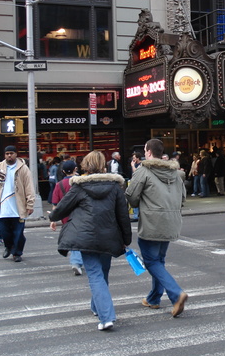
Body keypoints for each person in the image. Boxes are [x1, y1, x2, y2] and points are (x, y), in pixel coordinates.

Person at [49, 150, 131, 331]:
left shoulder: (78, 187)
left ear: (85, 165)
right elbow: (123, 216)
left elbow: (61, 208)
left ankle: (106, 316)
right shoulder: (115, 187)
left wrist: (52, 217)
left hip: (85, 236)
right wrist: (126, 239)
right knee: (103, 273)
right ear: (103, 165)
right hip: (109, 236)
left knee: (94, 274)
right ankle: (98, 307)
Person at [125, 138, 188, 317]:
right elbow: (183, 198)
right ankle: (154, 298)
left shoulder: (143, 171)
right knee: (159, 261)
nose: (145, 153)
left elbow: (131, 196)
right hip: (171, 221)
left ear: (149, 153)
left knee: (152, 262)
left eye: (145, 150)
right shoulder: (175, 173)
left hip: (152, 222)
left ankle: (176, 294)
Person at [0, 145, 35, 262]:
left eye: (11, 153)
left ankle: (17, 253)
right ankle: (8, 247)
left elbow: (29, 187)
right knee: (4, 232)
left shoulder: (23, 169)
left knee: (18, 233)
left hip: (18, 207)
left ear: (16, 154)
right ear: (5, 155)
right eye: (7, 153)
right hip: (2, 207)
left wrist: (30, 204)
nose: (9, 155)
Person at [51, 160, 84, 276]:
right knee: (81, 238)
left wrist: (53, 220)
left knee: (73, 239)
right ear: (76, 169)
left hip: (66, 217)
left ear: (63, 171)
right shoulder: (80, 183)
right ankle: (76, 261)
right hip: (81, 215)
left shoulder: (58, 185)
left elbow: (55, 204)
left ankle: (77, 261)